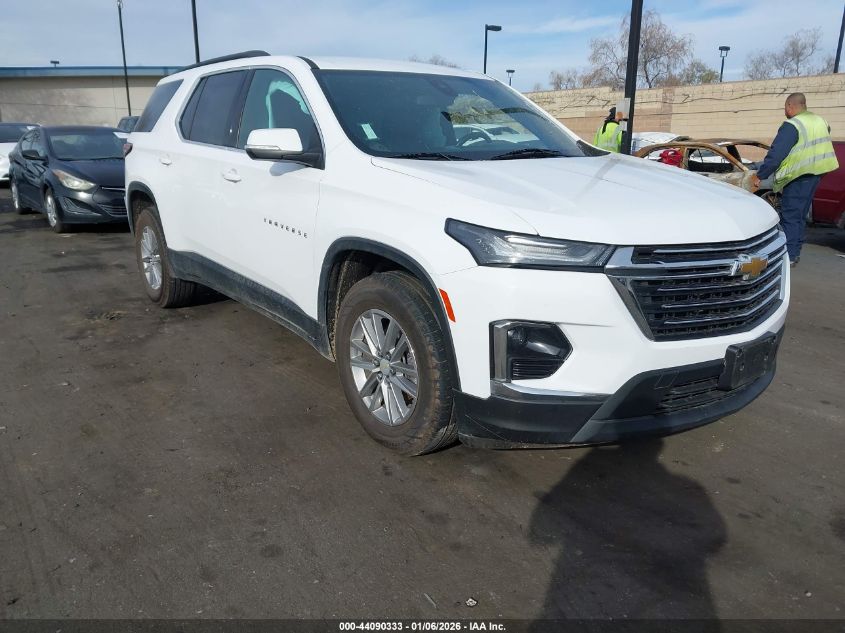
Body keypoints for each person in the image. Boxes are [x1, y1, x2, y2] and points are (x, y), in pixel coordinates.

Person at [752, 93, 839, 266]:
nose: (785, 111)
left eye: (785, 108)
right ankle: (795, 251)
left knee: (790, 216)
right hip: (817, 172)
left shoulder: (792, 125)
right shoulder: (820, 121)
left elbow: (776, 155)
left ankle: (789, 256)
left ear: (790, 106)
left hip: (799, 174)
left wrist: (760, 175)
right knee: (799, 215)